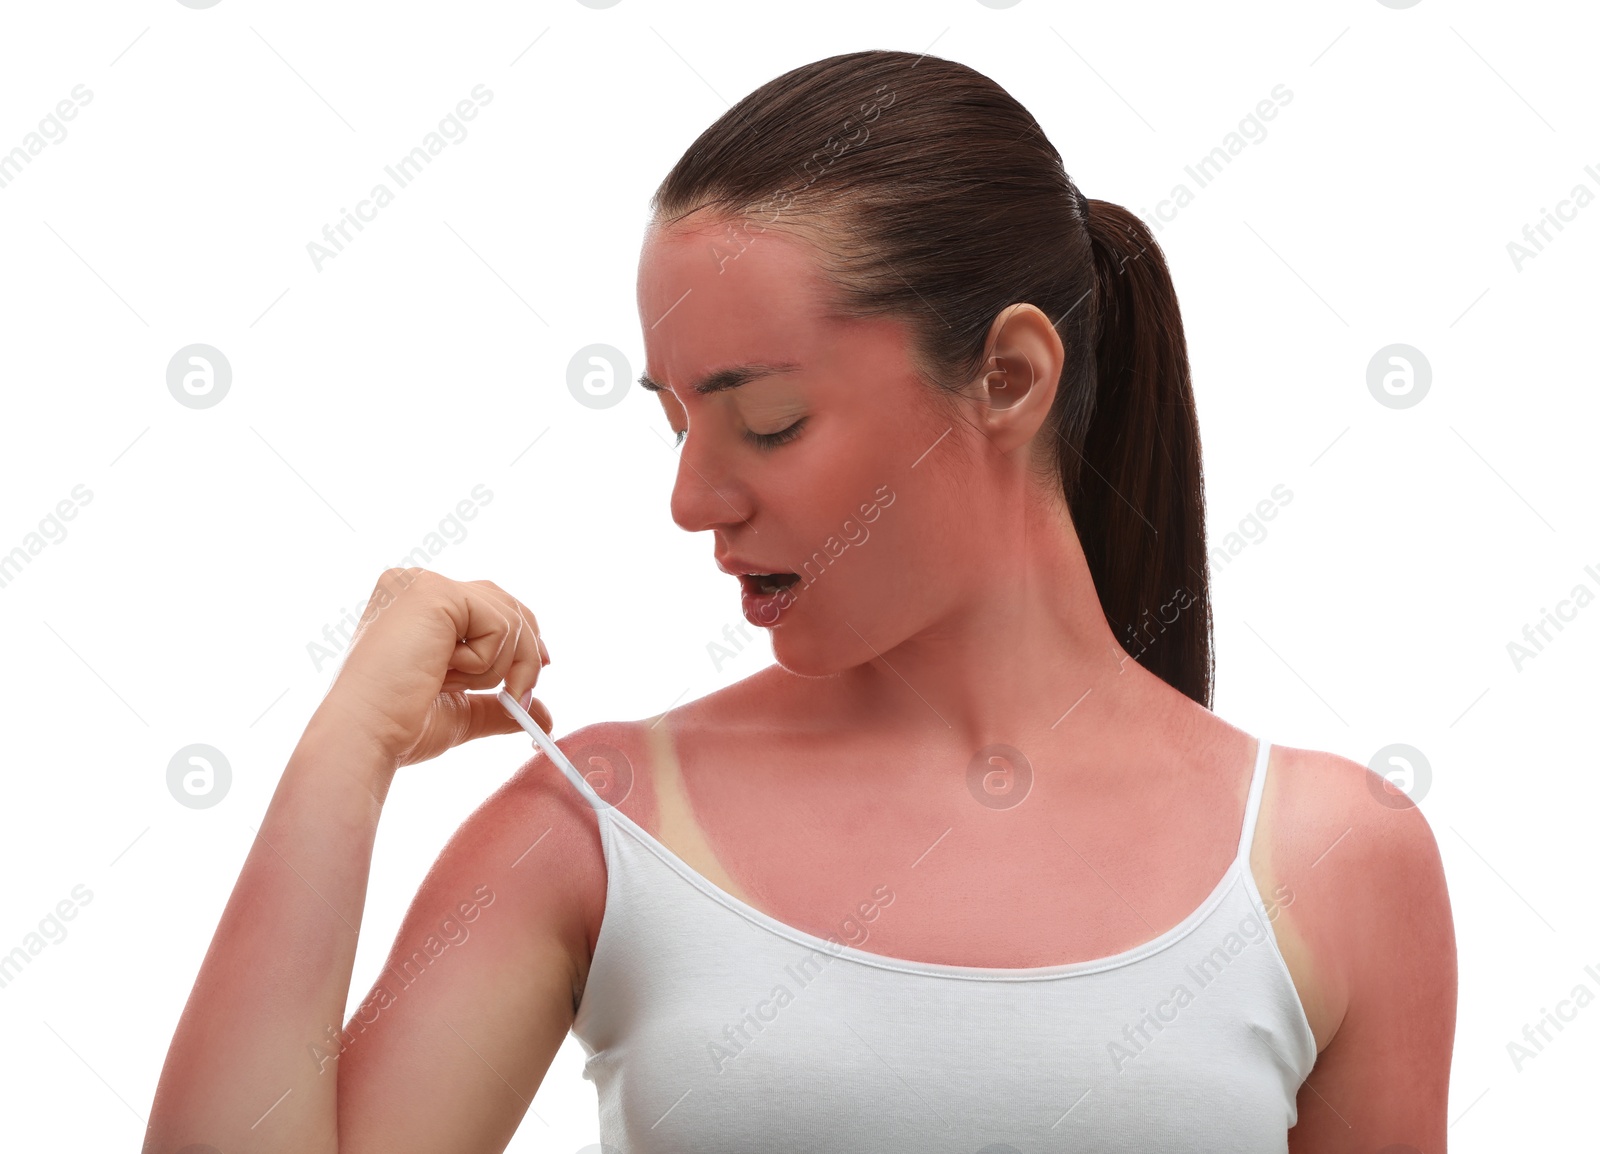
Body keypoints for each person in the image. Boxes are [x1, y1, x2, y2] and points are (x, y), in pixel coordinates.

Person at [146, 49, 1456, 1153]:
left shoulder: (1331, 859)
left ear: (1008, 374)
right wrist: (343, 757)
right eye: (672, 422)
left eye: (765, 421)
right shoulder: (594, 824)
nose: (691, 498)